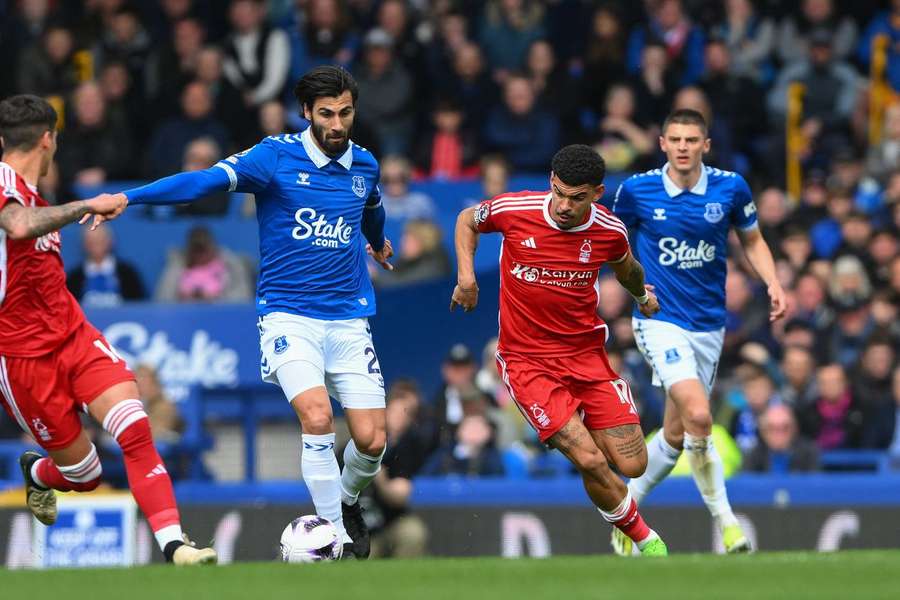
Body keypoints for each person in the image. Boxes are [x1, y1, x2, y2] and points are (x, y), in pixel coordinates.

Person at [81, 66, 394, 560]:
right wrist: (130, 196)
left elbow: (371, 206)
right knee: (317, 418)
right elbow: (202, 181)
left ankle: (349, 498)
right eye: (327, 114)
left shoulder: (365, 165)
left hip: (349, 318)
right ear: (307, 113)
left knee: (372, 440)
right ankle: (336, 537)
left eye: (346, 113)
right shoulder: (275, 157)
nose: (337, 124)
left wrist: (377, 242)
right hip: (289, 316)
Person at [0, 94, 215, 565]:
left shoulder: (34, 193)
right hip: (21, 359)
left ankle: (175, 546)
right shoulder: (5, 185)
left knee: (135, 427)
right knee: (85, 474)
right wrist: (84, 206)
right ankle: (40, 474)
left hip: (72, 335)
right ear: (48, 139)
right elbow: (17, 226)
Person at [451, 144, 668, 556]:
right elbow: (466, 221)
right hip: (526, 361)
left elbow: (628, 268)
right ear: (551, 182)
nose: (565, 205)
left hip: (587, 355)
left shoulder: (608, 231)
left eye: (577, 197)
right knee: (588, 458)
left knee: (633, 465)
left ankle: (615, 503)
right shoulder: (516, 210)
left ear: (597, 193)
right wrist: (466, 278)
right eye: (560, 192)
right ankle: (643, 538)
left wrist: (642, 296)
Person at [610, 108, 787, 555]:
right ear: (662, 143)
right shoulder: (637, 190)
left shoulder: (731, 187)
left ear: (705, 145)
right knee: (700, 415)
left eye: (692, 140)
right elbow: (614, 245)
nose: (684, 147)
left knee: (674, 435)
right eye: (676, 139)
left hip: (709, 325)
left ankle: (625, 510)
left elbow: (751, 239)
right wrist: (632, 284)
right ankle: (729, 527)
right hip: (658, 319)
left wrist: (773, 282)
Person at [66, 224, 145, 305]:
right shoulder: (74, 277)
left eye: (100, 239)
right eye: (91, 241)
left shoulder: (127, 273)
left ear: (110, 241)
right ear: (84, 244)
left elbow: (140, 305)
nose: (96, 244)